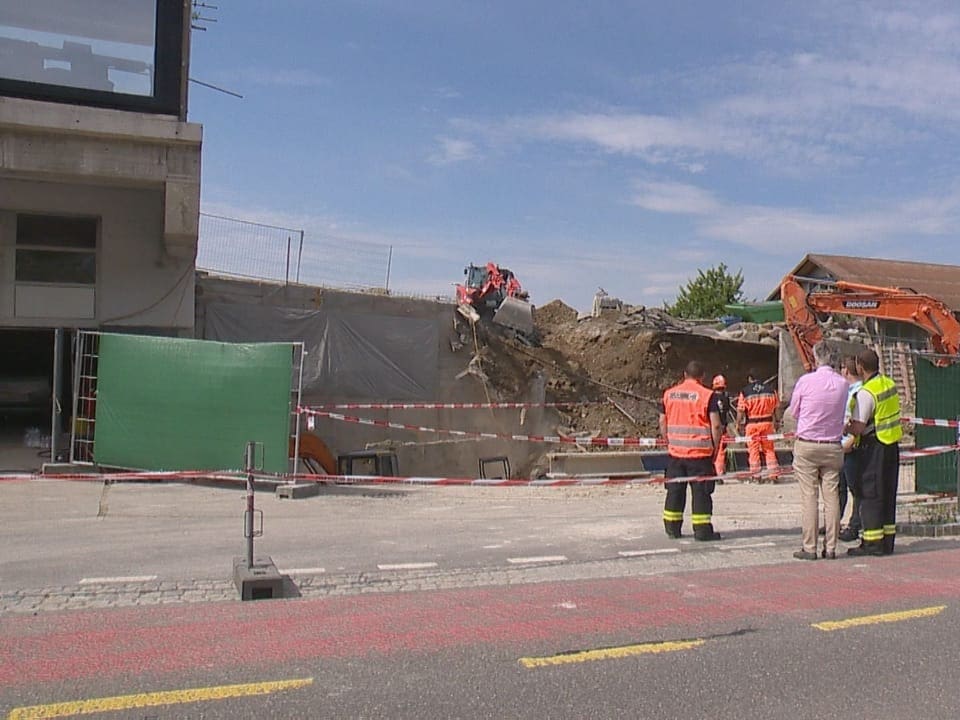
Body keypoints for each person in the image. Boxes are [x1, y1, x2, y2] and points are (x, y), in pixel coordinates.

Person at [787, 341, 849, 560]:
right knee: (832, 496)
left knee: (809, 496)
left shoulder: (805, 381)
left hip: (807, 443)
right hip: (833, 445)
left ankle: (809, 547)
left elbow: (794, 411)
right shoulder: (843, 384)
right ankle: (831, 547)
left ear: (816, 357)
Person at [845, 348, 902, 556]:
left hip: (874, 447)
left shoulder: (866, 393)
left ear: (860, 366)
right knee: (888, 493)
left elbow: (859, 427)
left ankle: (871, 543)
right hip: (892, 445)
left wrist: (844, 428)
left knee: (871, 494)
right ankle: (887, 542)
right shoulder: (889, 383)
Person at [659, 361, 723, 541]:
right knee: (701, 492)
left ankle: (672, 528)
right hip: (700, 454)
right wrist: (715, 449)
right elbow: (716, 425)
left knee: (674, 490)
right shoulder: (708, 395)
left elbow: (662, 422)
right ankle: (702, 531)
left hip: (676, 453)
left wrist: (669, 442)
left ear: (684, 374)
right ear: (702, 377)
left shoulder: (669, 394)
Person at [736, 369, 781, 480]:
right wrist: (777, 421)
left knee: (753, 450)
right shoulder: (771, 390)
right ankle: (773, 474)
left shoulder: (745, 392)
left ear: (750, 378)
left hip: (752, 424)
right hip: (767, 423)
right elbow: (777, 408)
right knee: (769, 449)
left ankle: (756, 476)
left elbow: (741, 410)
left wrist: (738, 424)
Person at [838, 356, 863, 542]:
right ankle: (835, 522)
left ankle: (855, 525)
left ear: (846, 371)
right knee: (840, 487)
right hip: (841, 444)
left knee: (855, 487)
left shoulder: (859, 392)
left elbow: (861, 420)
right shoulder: (846, 391)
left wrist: (852, 440)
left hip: (852, 446)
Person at [712, 374, 735, 476]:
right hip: (723, 427)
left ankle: (718, 471)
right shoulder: (726, 399)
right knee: (721, 451)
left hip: (712, 428)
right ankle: (720, 470)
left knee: (716, 451)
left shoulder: (710, 398)